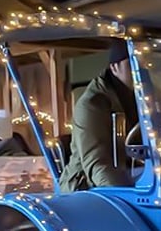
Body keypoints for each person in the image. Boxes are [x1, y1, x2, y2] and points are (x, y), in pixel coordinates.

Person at [59, 39, 140, 193]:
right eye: (133, 65)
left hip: (134, 171)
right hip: (87, 188)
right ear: (115, 67)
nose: (139, 71)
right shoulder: (91, 104)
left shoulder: (145, 96)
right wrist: (125, 196)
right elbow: (98, 165)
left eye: (143, 65)